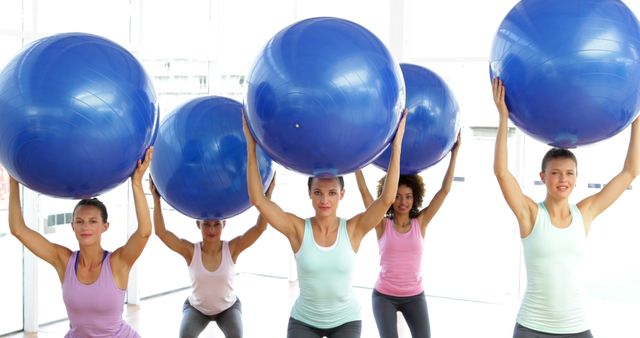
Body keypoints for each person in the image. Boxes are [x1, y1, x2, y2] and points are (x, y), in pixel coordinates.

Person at [492, 77, 640, 338]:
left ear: (576, 178)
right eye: (556, 173)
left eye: (569, 174)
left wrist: (636, 122)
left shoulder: (586, 212)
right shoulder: (530, 214)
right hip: (531, 327)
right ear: (543, 176)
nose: (563, 180)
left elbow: (629, 173)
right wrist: (503, 118)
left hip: (576, 327)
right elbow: (502, 172)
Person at [243, 111, 406, 338]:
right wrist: (251, 148)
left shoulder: (353, 230)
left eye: (331, 193)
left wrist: (396, 147)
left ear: (342, 194)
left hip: (346, 321)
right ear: (309, 193)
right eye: (318, 192)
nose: (324, 200)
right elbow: (258, 200)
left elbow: (386, 199)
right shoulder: (298, 230)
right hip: (304, 321)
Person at [8, 147, 154, 338]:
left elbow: (144, 232)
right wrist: (13, 181)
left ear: (105, 226)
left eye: (93, 221)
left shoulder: (118, 263)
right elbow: (18, 230)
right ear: (73, 226)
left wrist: (136, 183)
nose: (86, 227)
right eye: (80, 221)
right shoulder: (63, 260)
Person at [354, 131, 460, 338]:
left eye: (408, 197)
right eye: (398, 196)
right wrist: (356, 162)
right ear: (390, 197)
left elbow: (444, 191)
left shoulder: (421, 222)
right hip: (384, 295)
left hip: (415, 296)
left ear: (415, 198)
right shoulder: (381, 224)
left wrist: (454, 154)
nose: (403, 202)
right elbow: (365, 193)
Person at [149, 173, 276, 338]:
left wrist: (268, 196)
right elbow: (161, 233)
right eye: (206, 225)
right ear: (198, 225)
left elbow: (260, 228)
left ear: (224, 224)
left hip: (228, 308)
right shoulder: (190, 251)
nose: (211, 230)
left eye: (216, 224)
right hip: (197, 309)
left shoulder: (231, 249)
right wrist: (156, 199)